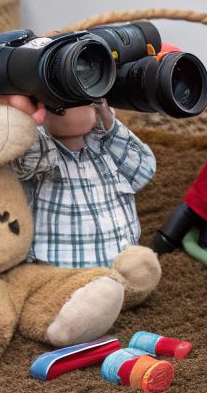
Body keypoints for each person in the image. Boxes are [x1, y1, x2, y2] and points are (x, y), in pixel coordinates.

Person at [12, 99, 156, 269]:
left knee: (143, 272)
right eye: (68, 99)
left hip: (122, 269)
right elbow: (24, 160)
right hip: (63, 277)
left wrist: (109, 123)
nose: (87, 102)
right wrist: (27, 116)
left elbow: (143, 172)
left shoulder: (109, 144)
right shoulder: (43, 149)